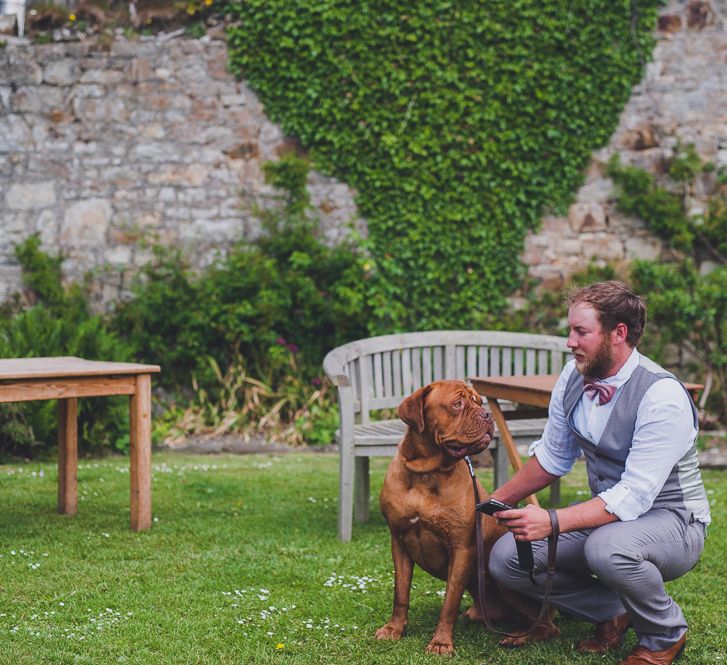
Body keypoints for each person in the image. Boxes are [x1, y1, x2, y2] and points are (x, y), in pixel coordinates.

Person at [488, 281, 710, 665]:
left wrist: (553, 520)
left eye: (581, 332)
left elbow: (633, 496)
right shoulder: (572, 376)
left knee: (606, 549)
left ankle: (664, 634)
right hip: (609, 518)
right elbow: (553, 458)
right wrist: (493, 504)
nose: (569, 342)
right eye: (569, 330)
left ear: (618, 333)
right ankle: (611, 610)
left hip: (674, 521)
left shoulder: (662, 395)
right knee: (506, 557)